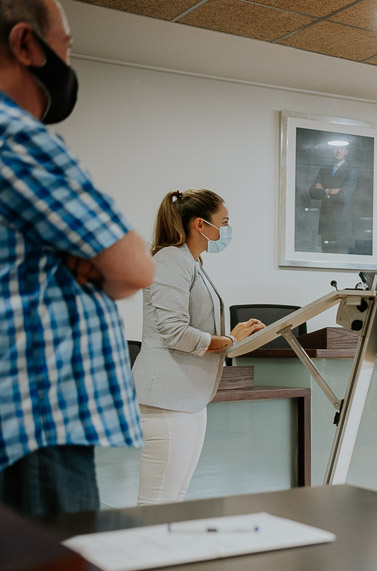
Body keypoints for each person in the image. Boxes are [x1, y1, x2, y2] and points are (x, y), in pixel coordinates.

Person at [0, 0, 155, 517]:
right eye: (66, 48)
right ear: (26, 44)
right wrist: (98, 266)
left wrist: (96, 260)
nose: (69, 62)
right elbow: (135, 267)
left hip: (16, 421)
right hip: (38, 417)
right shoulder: (17, 135)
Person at [133, 189, 264, 505]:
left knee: (175, 498)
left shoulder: (191, 263)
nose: (226, 230)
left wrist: (233, 337)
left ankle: (170, 555)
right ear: (200, 225)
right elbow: (174, 333)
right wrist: (230, 339)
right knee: (155, 503)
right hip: (165, 399)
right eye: (224, 222)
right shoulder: (170, 260)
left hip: (189, 398)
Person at [309, 142, 357, 253]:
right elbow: (312, 192)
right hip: (325, 225)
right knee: (325, 260)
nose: (338, 151)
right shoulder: (324, 170)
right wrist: (330, 191)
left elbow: (343, 197)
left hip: (342, 226)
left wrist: (323, 189)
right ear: (332, 150)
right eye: (336, 148)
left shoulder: (351, 171)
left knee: (340, 262)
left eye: (341, 148)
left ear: (346, 152)